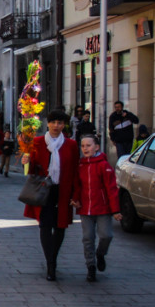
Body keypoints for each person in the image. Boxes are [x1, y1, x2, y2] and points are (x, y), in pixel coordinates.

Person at [22, 110, 79, 281]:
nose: (56, 126)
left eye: (60, 123)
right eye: (53, 122)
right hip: (44, 188)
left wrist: (76, 194)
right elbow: (31, 171)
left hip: (63, 189)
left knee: (60, 226)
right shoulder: (37, 142)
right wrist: (27, 161)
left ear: (64, 125)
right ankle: (50, 263)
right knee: (45, 225)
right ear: (48, 123)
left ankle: (53, 257)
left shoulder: (71, 145)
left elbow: (75, 170)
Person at [71, 134, 121, 282]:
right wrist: (75, 200)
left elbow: (111, 189)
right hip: (86, 208)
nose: (85, 148)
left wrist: (116, 210)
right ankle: (91, 266)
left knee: (106, 235)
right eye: (83, 146)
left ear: (97, 147)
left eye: (88, 145)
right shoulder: (80, 165)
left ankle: (100, 253)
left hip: (103, 208)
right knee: (88, 238)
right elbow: (77, 186)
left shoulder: (103, 165)